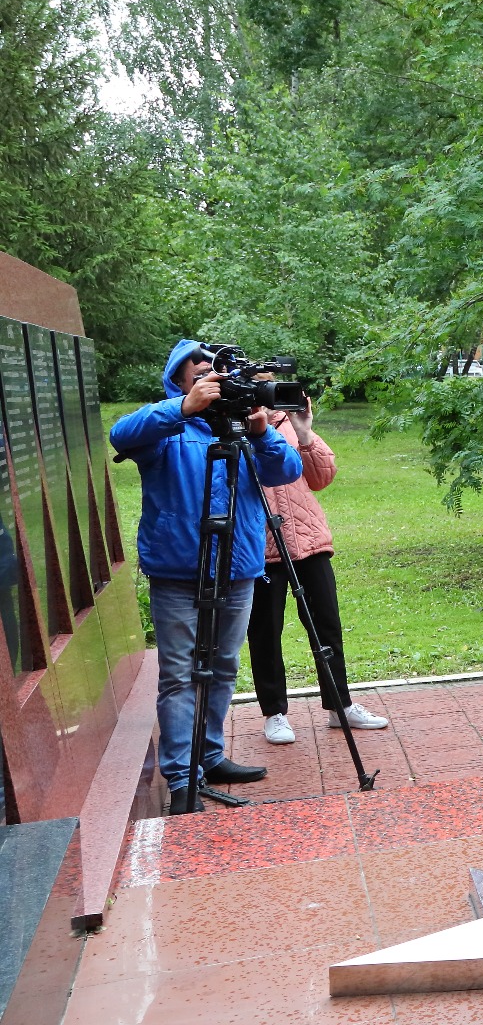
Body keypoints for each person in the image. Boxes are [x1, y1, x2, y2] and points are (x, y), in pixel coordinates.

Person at [110, 340, 304, 813]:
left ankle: (210, 755)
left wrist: (261, 432)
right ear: (178, 380)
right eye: (198, 374)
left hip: (237, 569)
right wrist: (183, 407)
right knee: (179, 676)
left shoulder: (243, 426)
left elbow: (287, 471)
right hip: (178, 571)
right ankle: (182, 779)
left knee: (222, 668)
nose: (210, 381)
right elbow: (120, 433)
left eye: (216, 375)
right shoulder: (165, 428)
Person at [248, 392, 387, 746]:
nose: (269, 396)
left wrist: (305, 431)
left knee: (327, 626)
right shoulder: (235, 428)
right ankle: (274, 713)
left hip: (309, 543)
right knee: (265, 633)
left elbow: (322, 477)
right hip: (262, 548)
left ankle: (340, 705)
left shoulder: (289, 425)